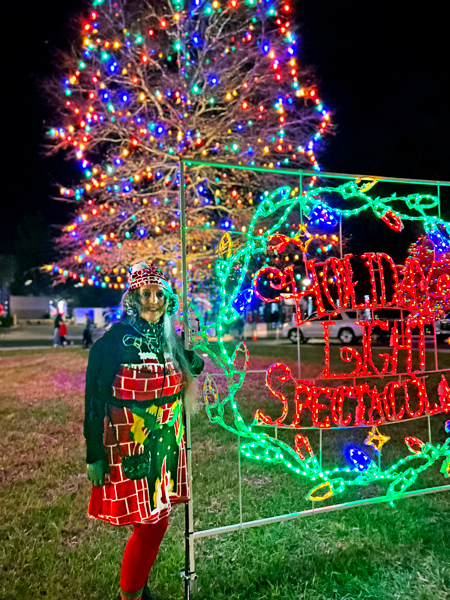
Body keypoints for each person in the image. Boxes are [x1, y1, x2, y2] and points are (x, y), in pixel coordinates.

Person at [84, 262, 204, 600]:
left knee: (153, 519)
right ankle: (131, 594)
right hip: (128, 445)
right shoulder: (112, 342)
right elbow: (93, 401)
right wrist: (94, 454)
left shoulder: (171, 339)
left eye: (159, 294)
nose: (153, 300)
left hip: (165, 445)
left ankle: (136, 586)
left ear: (168, 301)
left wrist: (192, 360)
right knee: (154, 523)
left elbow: (192, 364)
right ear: (134, 298)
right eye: (146, 293)